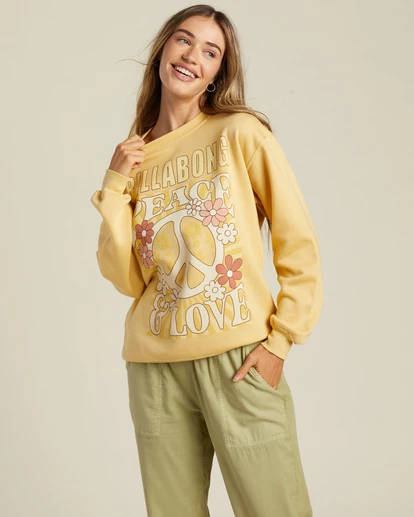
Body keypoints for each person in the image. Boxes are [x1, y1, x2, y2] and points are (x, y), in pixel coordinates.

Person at [90, 4, 323, 517]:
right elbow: (127, 279)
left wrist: (281, 340)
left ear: (218, 73)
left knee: (274, 508)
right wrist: (115, 185)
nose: (192, 55)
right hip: (155, 369)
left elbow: (298, 240)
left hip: (240, 359)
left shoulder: (239, 133)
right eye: (183, 40)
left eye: (210, 51)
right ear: (163, 50)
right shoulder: (135, 158)